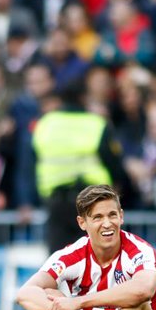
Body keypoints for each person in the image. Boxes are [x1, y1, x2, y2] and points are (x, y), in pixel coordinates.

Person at [0, 184, 156, 310]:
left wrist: (77, 303)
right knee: (50, 295)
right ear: (82, 223)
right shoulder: (70, 255)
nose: (107, 223)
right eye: (98, 217)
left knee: (137, 303)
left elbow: (143, 290)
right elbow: (25, 293)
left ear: (121, 216)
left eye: (112, 215)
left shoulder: (139, 250)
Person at [19, 80, 127, 251]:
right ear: (84, 98)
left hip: (56, 201)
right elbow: (113, 162)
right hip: (92, 200)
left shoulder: (44, 124)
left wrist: (26, 199)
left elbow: (28, 165)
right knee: (95, 259)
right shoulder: (96, 123)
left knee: (60, 261)